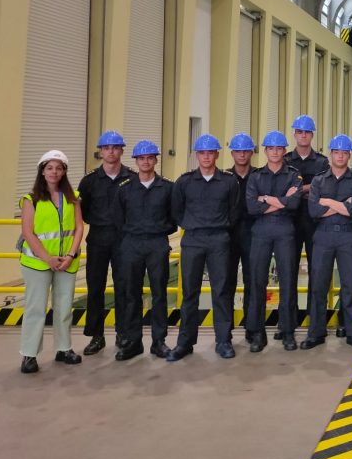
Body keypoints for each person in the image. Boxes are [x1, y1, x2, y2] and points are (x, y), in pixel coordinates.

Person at [168, 135, 243, 361]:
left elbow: (234, 212)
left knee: (221, 291)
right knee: (190, 292)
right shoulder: (184, 182)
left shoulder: (229, 182)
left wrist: (219, 228)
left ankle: (223, 341)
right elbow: (176, 211)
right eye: (202, 153)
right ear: (197, 155)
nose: (207, 156)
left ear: (217, 155)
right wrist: (193, 226)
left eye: (211, 152)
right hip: (192, 240)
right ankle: (185, 342)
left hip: (219, 239)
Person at [18, 150, 84, 374]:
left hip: (67, 263)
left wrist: (71, 255)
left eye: (58, 168)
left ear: (64, 171)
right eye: (49, 168)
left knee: (64, 307)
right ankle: (29, 354)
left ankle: (64, 349)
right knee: (35, 308)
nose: (54, 172)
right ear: (42, 171)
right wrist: (47, 258)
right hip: (38, 264)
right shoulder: (31, 199)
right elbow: (28, 232)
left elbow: (78, 228)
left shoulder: (73, 197)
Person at [301, 134, 352, 350]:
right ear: (331, 154)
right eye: (336, 152)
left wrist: (327, 202)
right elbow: (313, 211)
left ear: (349, 155)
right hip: (323, 236)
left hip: (348, 236)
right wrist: (342, 205)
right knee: (318, 285)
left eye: (344, 152)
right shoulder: (319, 180)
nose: (340, 156)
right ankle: (316, 333)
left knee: (349, 286)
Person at [114, 140, 175, 360]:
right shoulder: (125, 189)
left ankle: (159, 341)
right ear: (136, 161)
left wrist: (157, 231)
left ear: (156, 160)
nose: (146, 162)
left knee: (159, 293)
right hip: (131, 244)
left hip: (157, 244)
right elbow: (118, 219)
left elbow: (173, 218)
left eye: (150, 158)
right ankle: (133, 341)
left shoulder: (167, 188)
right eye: (141, 158)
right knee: (131, 294)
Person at [245, 131, 302, 352]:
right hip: (260, 230)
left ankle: (287, 331)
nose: (275, 152)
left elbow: (295, 204)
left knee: (288, 280)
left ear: (284, 151)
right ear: (266, 151)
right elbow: (252, 207)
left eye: (279, 148)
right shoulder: (256, 177)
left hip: (285, 229)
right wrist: (282, 200)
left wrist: (266, 199)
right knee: (257, 281)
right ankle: (257, 332)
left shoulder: (293, 175)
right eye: (271, 148)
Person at [78, 130, 132, 356]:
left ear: (121, 150)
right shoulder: (89, 181)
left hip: (124, 240)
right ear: (100, 152)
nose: (111, 152)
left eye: (115, 147)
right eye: (107, 148)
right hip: (98, 239)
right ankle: (96, 336)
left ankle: (123, 334)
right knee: (95, 288)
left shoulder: (132, 178)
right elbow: (83, 212)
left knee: (124, 287)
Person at [283, 115, 329, 337]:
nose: (303, 135)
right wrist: (309, 189)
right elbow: (281, 189)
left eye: (307, 132)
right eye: (299, 132)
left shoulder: (322, 162)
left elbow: (324, 188)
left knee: (317, 273)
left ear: (312, 135)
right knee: (288, 273)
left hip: (315, 224)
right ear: (295, 134)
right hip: (289, 224)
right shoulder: (284, 160)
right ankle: (287, 324)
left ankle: (315, 324)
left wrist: (297, 190)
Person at [225, 133, 258, 342]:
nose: (242, 154)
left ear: (252, 153)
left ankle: (252, 328)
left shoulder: (259, 177)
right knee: (225, 283)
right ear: (232, 153)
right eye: (238, 151)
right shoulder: (224, 178)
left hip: (254, 233)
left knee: (253, 282)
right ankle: (225, 330)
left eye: (246, 151)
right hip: (227, 235)